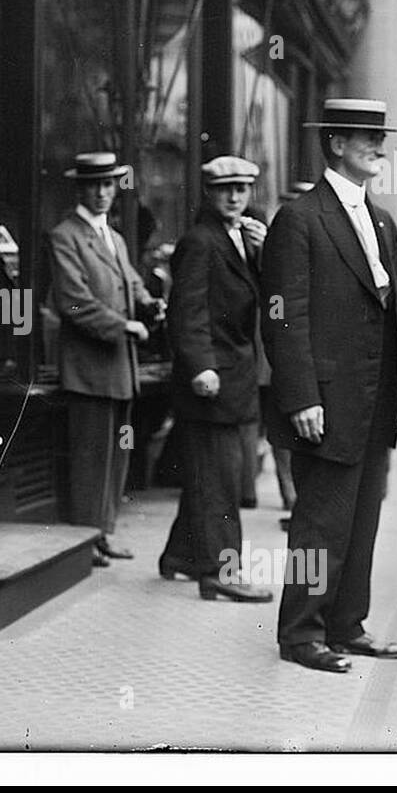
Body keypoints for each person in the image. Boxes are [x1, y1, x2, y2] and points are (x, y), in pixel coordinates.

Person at [260, 98, 397, 673]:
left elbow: (393, 314)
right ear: (335, 145)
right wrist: (299, 397)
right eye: (365, 137)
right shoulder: (299, 219)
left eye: (380, 137)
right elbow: (281, 317)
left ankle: (347, 626)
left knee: (363, 518)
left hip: (373, 402)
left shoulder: (381, 221)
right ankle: (301, 635)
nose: (378, 147)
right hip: (322, 402)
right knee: (321, 520)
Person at [159, 155, 272, 602]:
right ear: (209, 192)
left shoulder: (238, 238)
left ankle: (182, 557)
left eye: (242, 189)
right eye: (226, 189)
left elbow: (258, 299)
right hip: (212, 379)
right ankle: (220, 572)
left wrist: (263, 256)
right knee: (221, 480)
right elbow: (185, 313)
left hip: (233, 377)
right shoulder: (200, 241)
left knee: (212, 474)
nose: (235, 197)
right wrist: (201, 365)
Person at [49, 151, 165, 567]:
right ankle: (86, 538)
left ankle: (104, 532)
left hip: (119, 366)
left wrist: (150, 304)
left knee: (116, 454)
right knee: (91, 456)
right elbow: (74, 303)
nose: (101, 193)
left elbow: (131, 281)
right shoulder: (66, 235)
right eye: (94, 185)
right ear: (80, 188)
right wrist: (124, 326)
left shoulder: (113, 238)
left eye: (108, 185)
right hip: (90, 367)